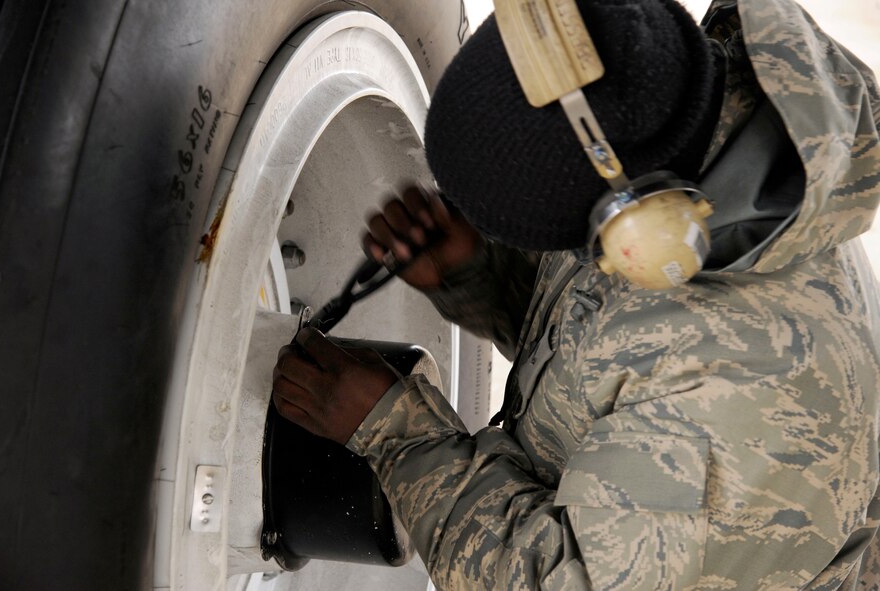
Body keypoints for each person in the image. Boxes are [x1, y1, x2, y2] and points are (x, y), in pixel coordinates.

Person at [271, 0, 880, 587]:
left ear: (631, 224)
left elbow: (568, 582)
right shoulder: (683, 146)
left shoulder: (740, 396)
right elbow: (620, 348)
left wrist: (396, 432)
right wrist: (483, 274)